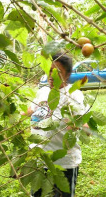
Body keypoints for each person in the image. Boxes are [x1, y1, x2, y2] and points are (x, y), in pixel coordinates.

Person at [22, 53, 88, 197]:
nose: (51, 75)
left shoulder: (74, 95)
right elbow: (30, 111)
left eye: (57, 72)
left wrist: (78, 126)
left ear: (67, 74)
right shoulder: (43, 92)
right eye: (49, 70)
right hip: (39, 161)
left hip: (63, 164)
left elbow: (83, 126)